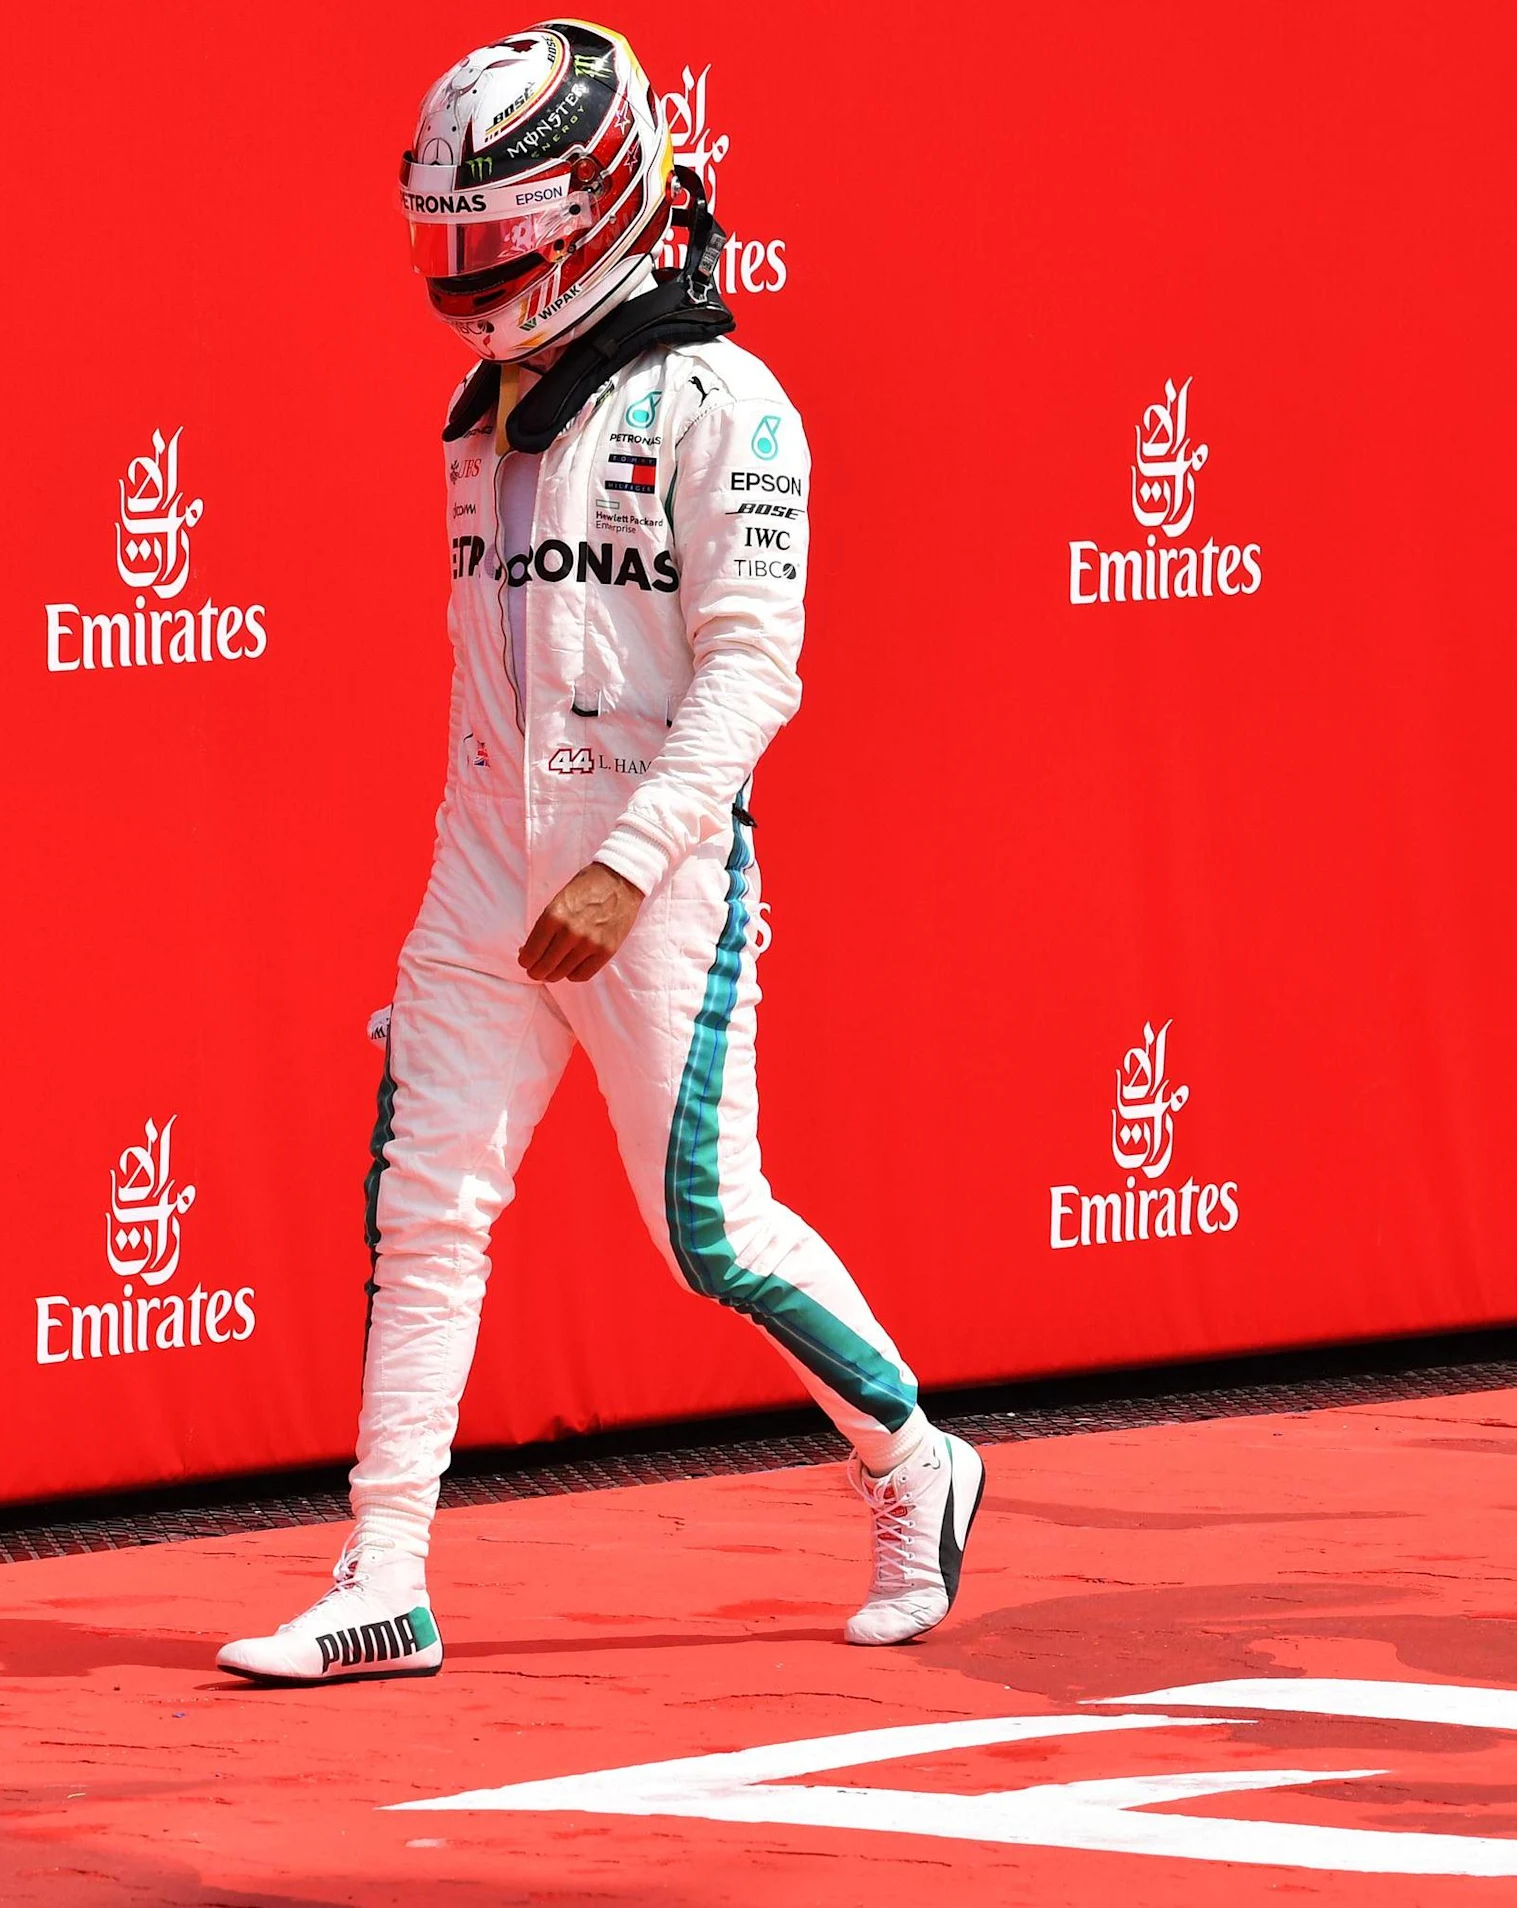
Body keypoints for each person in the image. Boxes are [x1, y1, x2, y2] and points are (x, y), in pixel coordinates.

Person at [217, 20, 980, 1687]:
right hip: (486, 865)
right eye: (447, 246)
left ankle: (918, 1465)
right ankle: (385, 1575)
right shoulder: (478, 414)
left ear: (595, 211)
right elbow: (493, 686)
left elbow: (755, 666)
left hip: (660, 881)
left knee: (708, 1229)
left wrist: (626, 863)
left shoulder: (734, 406)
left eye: (492, 246)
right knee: (424, 1207)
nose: (467, 279)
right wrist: (465, 899)